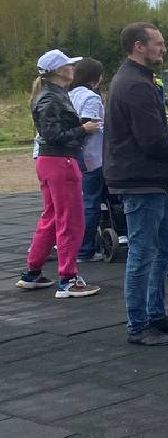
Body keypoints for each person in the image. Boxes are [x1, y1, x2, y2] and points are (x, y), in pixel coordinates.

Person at [106, 24, 168, 344]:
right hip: (140, 179)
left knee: (165, 244)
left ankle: (153, 313)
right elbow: (151, 140)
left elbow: (150, 136)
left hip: (144, 177)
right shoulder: (136, 85)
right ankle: (139, 325)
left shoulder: (134, 80)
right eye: (159, 44)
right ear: (139, 46)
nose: (164, 49)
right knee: (143, 251)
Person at [19, 50, 102, 298]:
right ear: (58, 71)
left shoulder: (50, 95)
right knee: (70, 219)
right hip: (60, 160)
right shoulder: (52, 99)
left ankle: (33, 271)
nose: (72, 69)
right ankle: (67, 278)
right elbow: (54, 135)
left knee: (53, 216)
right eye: (68, 65)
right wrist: (83, 129)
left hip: (50, 160)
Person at [69, 58, 106, 263]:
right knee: (91, 202)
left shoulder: (68, 95)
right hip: (91, 156)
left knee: (77, 201)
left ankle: (74, 245)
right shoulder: (91, 97)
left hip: (73, 155)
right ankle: (85, 248)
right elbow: (88, 124)